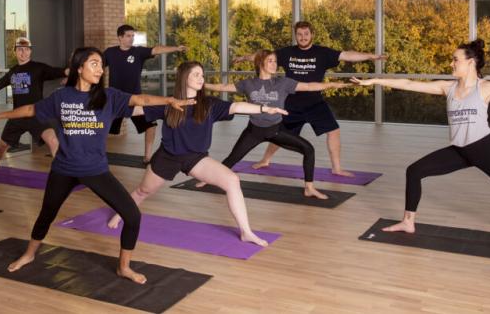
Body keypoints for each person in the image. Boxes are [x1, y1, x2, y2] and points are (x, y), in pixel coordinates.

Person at [0, 47, 193, 284]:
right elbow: (31, 109)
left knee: (132, 216)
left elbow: (142, 99)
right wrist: (1, 115)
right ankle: (29, 253)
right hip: (64, 168)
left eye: (101, 64)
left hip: (96, 170)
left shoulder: (108, 96)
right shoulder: (61, 97)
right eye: (94, 63)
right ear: (79, 67)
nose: (100, 69)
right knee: (46, 214)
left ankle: (124, 267)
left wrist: (168, 100)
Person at [352, 39, 490, 233]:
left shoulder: (487, 87)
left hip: (486, 150)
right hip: (460, 150)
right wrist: (374, 81)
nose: (451, 63)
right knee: (414, 171)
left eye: (455, 60)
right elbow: (407, 83)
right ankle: (408, 221)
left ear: (471, 61)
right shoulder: (447, 88)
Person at [107, 61, 287, 247]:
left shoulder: (209, 104)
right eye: (196, 75)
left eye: (202, 75)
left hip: (196, 158)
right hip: (168, 157)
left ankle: (246, 232)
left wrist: (265, 108)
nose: (201, 79)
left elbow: (237, 107)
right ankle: (120, 213)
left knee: (232, 181)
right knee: (142, 191)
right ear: (184, 77)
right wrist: (107, 108)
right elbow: (135, 108)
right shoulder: (169, 103)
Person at [234, 21, 385, 177]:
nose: (303, 37)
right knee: (278, 132)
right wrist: (244, 57)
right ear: (296, 36)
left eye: (306, 34)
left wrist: (370, 56)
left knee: (333, 131)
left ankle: (337, 168)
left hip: (315, 102)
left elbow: (347, 55)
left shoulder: (322, 53)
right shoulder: (287, 53)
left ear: (312, 34)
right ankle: (266, 159)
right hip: (291, 102)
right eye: (299, 34)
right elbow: (262, 57)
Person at [203, 49, 356, 199]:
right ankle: (208, 179)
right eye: (270, 61)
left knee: (309, 149)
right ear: (260, 63)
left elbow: (309, 86)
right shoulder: (248, 84)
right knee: (232, 158)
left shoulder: (283, 83)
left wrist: (334, 85)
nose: (274, 64)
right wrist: (203, 85)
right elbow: (223, 88)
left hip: (275, 131)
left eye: (275, 61)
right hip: (253, 132)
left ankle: (309, 188)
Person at [103, 24, 187, 164]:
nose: (131, 39)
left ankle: (147, 157)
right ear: (120, 37)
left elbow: (157, 49)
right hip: (116, 99)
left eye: (133, 36)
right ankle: (96, 154)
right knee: (102, 127)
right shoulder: (110, 53)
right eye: (128, 36)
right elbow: (94, 66)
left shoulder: (138, 52)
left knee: (150, 125)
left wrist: (176, 48)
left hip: (136, 100)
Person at [0, 37, 68, 172]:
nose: (23, 53)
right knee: (2, 146)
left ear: (30, 51)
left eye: (26, 50)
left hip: (37, 114)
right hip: (17, 116)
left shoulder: (39, 68)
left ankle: (61, 171)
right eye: (20, 50)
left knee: (53, 140)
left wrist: (73, 74)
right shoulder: (13, 72)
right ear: (15, 52)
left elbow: (60, 71)